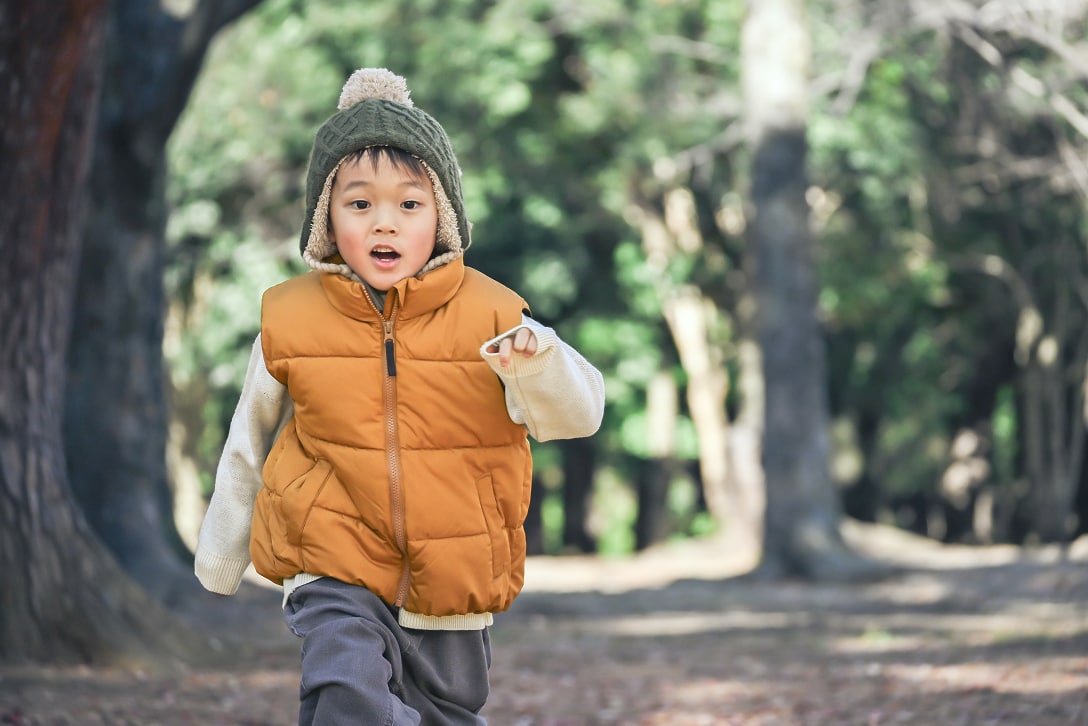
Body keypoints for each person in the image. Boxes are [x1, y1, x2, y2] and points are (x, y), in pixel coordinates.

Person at [193, 67, 606, 725]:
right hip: (332, 562)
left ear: (442, 215)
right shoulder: (290, 317)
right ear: (326, 217)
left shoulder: (493, 314)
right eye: (359, 205)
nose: (384, 224)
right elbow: (249, 437)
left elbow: (579, 415)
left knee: (447, 713)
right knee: (345, 690)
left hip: (455, 573)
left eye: (409, 205)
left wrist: (538, 363)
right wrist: (222, 553)